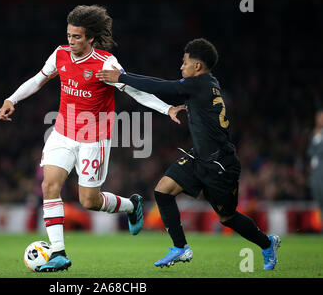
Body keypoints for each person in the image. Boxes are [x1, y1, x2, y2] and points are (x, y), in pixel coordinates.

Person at [0, 5, 185, 272]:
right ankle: (59, 253)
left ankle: (131, 206)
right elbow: (38, 80)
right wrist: (11, 99)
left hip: (93, 138)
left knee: (89, 201)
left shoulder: (106, 63)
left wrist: (167, 108)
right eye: (69, 35)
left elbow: (135, 91)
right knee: (49, 185)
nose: (70, 41)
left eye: (76, 37)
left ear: (90, 39)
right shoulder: (60, 54)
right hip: (61, 131)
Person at [96, 38, 281, 270]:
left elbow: (162, 87)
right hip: (200, 157)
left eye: (185, 63)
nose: (181, 67)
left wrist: (121, 77)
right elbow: (168, 88)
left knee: (227, 218)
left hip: (220, 165)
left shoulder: (200, 83)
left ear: (198, 66)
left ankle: (267, 243)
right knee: (162, 190)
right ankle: (180, 247)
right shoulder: (207, 83)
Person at [307, 106, 323, 230]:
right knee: (319, 202)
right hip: (316, 173)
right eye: (318, 117)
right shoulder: (315, 133)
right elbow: (310, 152)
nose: (320, 119)